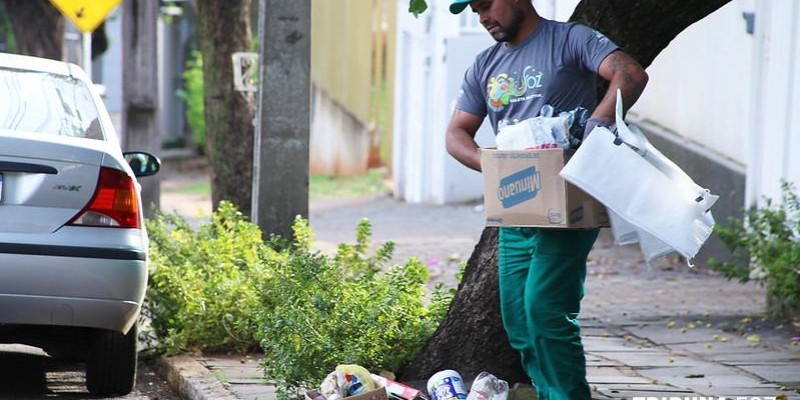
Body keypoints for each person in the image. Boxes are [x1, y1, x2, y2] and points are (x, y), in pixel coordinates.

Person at [444, 1, 648, 399]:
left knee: (545, 311)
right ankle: (550, 391)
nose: (482, 16)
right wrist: (493, 164)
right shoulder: (484, 65)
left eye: (487, 4)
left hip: (567, 200)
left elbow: (630, 74)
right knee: (518, 319)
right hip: (517, 207)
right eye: (474, 9)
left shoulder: (570, 40)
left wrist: (598, 123)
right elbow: (456, 134)